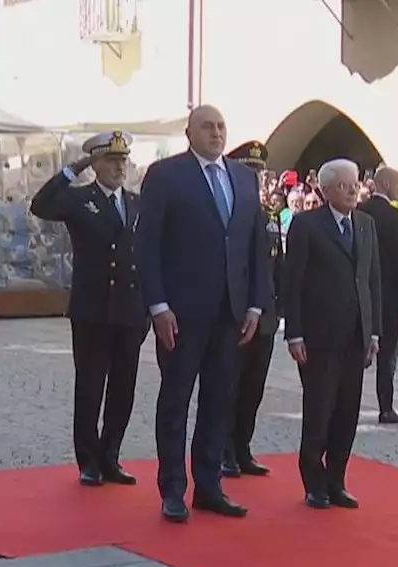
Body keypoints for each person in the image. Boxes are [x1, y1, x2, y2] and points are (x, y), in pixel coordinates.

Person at [137, 106, 269, 523]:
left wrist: (254, 303)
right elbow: (148, 245)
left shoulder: (244, 178)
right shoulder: (165, 176)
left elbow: (255, 246)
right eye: (207, 126)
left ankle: (209, 486)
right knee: (176, 401)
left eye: (221, 127)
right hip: (181, 312)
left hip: (230, 313)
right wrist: (158, 305)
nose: (216, 133)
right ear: (189, 132)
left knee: (219, 401)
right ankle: (172, 489)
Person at [31, 131, 147, 488]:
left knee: (123, 388)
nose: (118, 167)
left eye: (122, 160)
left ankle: (111, 455)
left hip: (130, 309)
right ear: (95, 164)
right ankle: (89, 460)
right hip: (93, 309)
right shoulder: (80, 199)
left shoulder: (137, 202)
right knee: (91, 386)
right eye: (111, 160)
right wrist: (71, 170)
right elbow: (41, 205)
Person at [282, 158, 382, 510]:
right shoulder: (307, 225)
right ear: (325, 191)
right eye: (344, 185)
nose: (353, 190)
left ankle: (337, 479)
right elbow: (292, 282)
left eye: (355, 183)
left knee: (347, 412)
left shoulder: (366, 225)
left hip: (356, 335)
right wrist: (294, 332)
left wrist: (374, 332)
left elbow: (372, 281)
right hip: (319, 336)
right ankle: (314, 482)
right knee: (319, 409)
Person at [223, 140, 276, 478]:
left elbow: (275, 267)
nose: (256, 177)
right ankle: (224, 451)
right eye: (249, 171)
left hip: (266, 314)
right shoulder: (229, 211)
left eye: (259, 171)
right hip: (235, 312)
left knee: (254, 387)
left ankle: (243, 448)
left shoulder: (266, 214)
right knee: (229, 386)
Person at [358, 165, 398, 423]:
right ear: (388, 185)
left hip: (361, 292)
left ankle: (348, 405)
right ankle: (385, 407)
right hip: (389, 294)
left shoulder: (358, 211)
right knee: (387, 353)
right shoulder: (395, 217)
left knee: (356, 349)